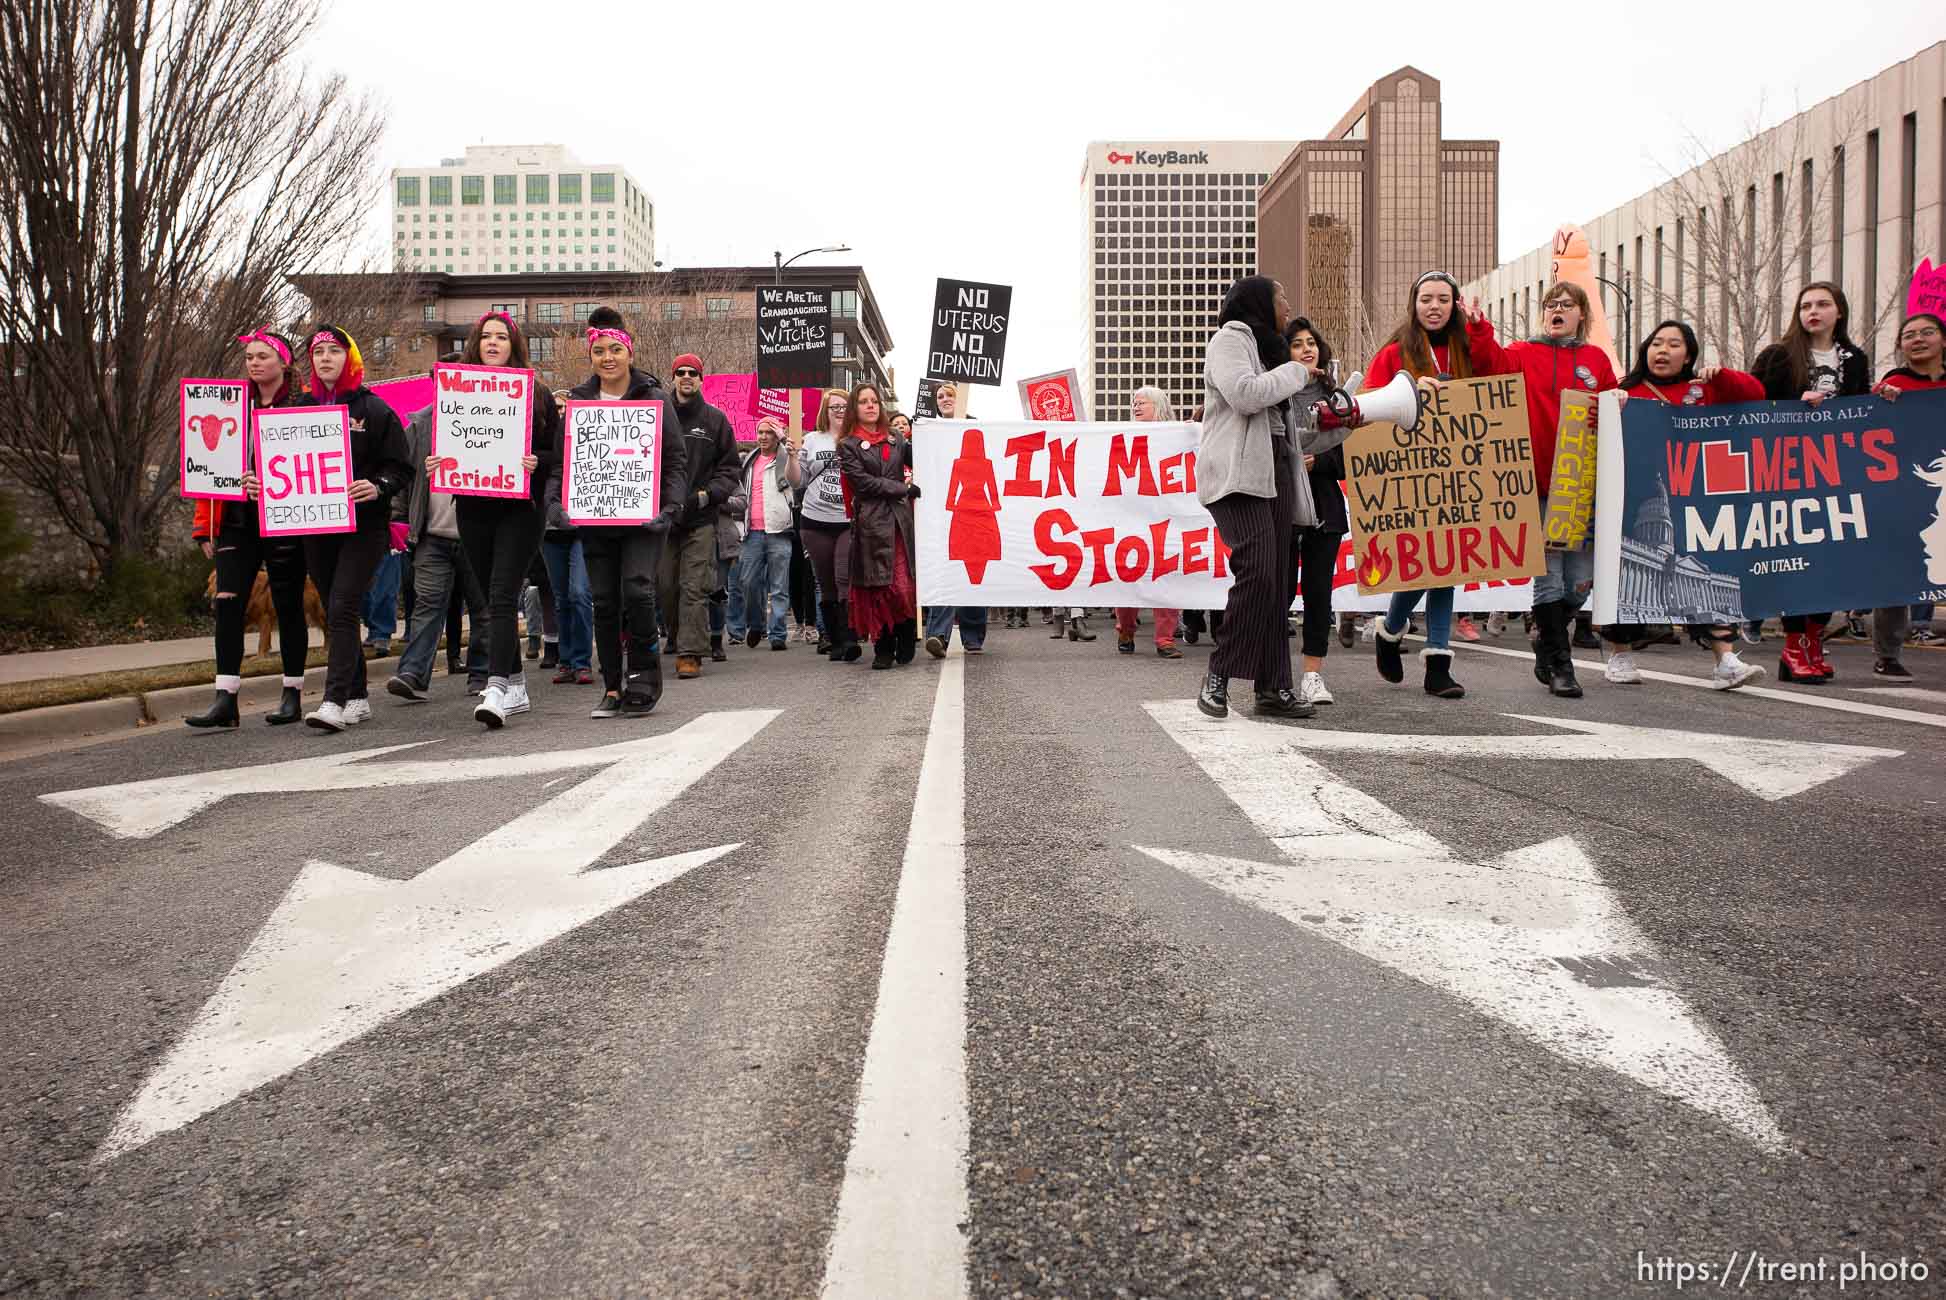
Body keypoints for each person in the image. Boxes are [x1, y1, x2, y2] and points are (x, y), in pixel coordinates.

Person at [240, 326, 413, 733]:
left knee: (341, 607)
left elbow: (400, 467)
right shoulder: (300, 407)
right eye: (318, 352)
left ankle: (334, 700)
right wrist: (259, 482)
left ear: (349, 357)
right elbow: (275, 460)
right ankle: (356, 697)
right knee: (339, 609)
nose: (325, 358)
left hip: (364, 527)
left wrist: (377, 486)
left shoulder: (374, 410)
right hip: (315, 525)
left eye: (334, 350)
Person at [1364, 270, 1516, 699]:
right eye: (1426, 299)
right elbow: (1370, 401)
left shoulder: (1467, 349)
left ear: (1455, 306)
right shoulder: (1395, 352)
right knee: (1421, 563)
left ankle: (1436, 662)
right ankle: (1391, 630)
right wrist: (1409, 390)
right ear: (1414, 305)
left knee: (1450, 565)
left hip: (1462, 474)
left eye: (1443, 300)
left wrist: (1480, 326)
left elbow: (1501, 374)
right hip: (1409, 475)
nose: (1434, 306)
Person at [1609, 320, 1767, 689]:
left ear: (1689, 355)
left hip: (1692, 498)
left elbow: (1755, 394)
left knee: (1710, 569)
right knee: (1620, 576)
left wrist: (1722, 376)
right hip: (1637, 496)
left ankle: (1725, 660)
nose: (1662, 351)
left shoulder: (1703, 390)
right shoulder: (1626, 391)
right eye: (1656, 343)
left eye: (1674, 344)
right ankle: (1620, 653)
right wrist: (1610, 404)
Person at [1193, 275, 1318, 721]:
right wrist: (1296, 372)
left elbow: (1279, 420)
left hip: (1275, 472)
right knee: (1259, 573)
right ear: (1258, 303)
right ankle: (1219, 675)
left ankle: (1273, 688)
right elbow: (1245, 396)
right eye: (1281, 296)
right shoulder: (1229, 340)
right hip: (1237, 476)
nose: (1287, 304)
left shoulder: (1270, 351)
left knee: (1279, 581)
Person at [563, 307, 688, 718]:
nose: (608, 357)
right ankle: (612, 686)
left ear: (629, 354)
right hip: (597, 516)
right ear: (592, 357)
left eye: (616, 349)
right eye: (599, 351)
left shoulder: (654, 398)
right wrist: (557, 504)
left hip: (643, 519)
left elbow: (674, 461)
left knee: (637, 591)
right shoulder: (579, 402)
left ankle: (644, 677)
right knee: (603, 601)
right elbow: (563, 464)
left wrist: (669, 508)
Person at [186, 327, 312, 729]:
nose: (255, 363)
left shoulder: (305, 405)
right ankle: (225, 698)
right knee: (227, 604)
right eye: (250, 357)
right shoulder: (229, 407)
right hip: (237, 520)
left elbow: (313, 465)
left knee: (288, 603)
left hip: (284, 516)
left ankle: (292, 693)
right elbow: (207, 467)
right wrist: (205, 525)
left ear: (283, 361)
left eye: (263, 356)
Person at [1750, 282, 1872, 683]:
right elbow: (1751, 407)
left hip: (1838, 475)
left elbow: (1862, 411)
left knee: (1831, 563)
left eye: (1823, 304)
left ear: (1840, 311)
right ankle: (1793, 646)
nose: (1813, 311)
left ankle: (1815, 642)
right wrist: (1793, 405)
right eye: (1805, 305)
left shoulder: (1854, 359)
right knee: (1797, 563)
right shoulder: (1779, 356)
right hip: (1788, 474)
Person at [1502, 282, 1619, 699]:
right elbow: (1484, 364)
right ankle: (1561, 666)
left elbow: (1612, 412)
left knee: (1580, 584)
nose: (1557, 310)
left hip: (1581, 486)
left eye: (1567, 305)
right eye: (1551, 304)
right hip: (1536, 485)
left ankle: (1543, 634)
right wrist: (1476, 325)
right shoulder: (1519, 354)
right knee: (1549, 579)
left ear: (1581, 315)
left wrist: (1617, 400)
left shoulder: (1595, 360)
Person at [444, 311, 559, 729]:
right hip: (474, 506)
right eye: (486, 337)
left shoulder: (537, 393)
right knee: (492, 596)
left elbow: (556, 454)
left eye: (502, 337)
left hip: (520, 509)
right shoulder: (455, 392)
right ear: (476, 344)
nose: (493, 343)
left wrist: (536, 462)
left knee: (502, 593)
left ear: (515, 345)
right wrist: (439, 461)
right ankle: (514, 682)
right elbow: (448, 441)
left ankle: (494, 687)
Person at [385, 401, 489, 703]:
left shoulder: (494, 417)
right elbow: (402, 476)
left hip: (477, 534)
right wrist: (400, 519)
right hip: (432, 534)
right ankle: (413, 674)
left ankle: (482, 673)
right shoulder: (419, 426)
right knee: (427, 605)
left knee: (484, 608)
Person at [1283, 321, 1360, 704]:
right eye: (1297, 345)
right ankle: (1275, 671)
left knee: (1318, 594)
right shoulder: (1276, 394)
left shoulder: (1336, 397)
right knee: (1278, 591)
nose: (1306, 349)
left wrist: (1319, 462)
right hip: (1283, 508)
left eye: (1311, 343)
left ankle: (1312, 676)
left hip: (1325, 509)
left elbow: (1346, 459)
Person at [1869, 312, 1946, 679]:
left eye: (1927, 332)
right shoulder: (1893, 384)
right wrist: (1882, 403)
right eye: (1909, 334)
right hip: (1906, 492)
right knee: (1898, 574)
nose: (1918, 339)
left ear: (1942, 340)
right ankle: (1888, 653)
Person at [661, 353, 743, 680]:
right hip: (664, 519)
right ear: (673, 377)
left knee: (694, 585)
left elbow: (729, 467)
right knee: (666, 586)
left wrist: (708, 495)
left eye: (692, 372)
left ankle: (690, 652)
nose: (686, 377)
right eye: (680, 372)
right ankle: (679, 636)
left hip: (700, 517)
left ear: (700, 378)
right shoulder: (658, 416)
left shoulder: (715, 420)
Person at [838, 382, 919, 669]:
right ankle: (883, 645)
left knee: (903, 585)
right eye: (864, 401)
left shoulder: (898, 438)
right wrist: (902, 489)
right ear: (855, 408)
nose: (871, 405)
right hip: (872, 524)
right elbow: (863, 483)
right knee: (878, 587)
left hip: (900, 521)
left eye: (874, 400)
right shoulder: (847, 444)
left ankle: (906, 633)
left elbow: (921, 460)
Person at [1112, 385, 1185, 660]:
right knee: (1129, 577)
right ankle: (1125, 629)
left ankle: (1165, 639)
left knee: (1166, 579)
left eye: (1143, 402)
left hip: (1166, 518)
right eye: (1134, 403)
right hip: (1131, 518)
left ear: (1159, 406)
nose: (1136, 406)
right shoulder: (1123, 437)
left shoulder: (1178, 436)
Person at [538, 382, 595, 687]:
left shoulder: (593, 436)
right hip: (551, 527)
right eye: (561, 408)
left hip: (583, 527)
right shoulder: (543, 440)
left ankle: (582, 660)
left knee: (579, 593)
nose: (566, 412)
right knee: (561, 598)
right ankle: (566, 660)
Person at [800, 388, 859, 662]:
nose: (839, 410)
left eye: (844, 406)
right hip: (815, 522)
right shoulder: (811, 440)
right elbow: (796, 481)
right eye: (833, 406)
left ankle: (849, 639)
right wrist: (790, 457)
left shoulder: (858, 439)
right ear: (825, 411)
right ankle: (833, 640)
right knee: (825, 584)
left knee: (843, 577)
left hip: (847, 520)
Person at [928, 426, 998, 657]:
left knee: (973, 570)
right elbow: (989, 491)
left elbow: (957, 491)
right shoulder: (971, 463)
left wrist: (950, 505)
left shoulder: (975, 463)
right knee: (964, 570)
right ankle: (966, 636)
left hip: (969, 510)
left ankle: (969, 634)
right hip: (977, 510)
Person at [739, 415, 804, 650]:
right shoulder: (748, 461)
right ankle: (756, 624)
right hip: (752, 532)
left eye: (769, 432)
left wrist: (791, 452)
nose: (763, 437)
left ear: (777, 436)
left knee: (778, 586)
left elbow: (796, 483)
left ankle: (777, 634)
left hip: (779, 530)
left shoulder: (785, 458)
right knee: (748, 583)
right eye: (760, 432)